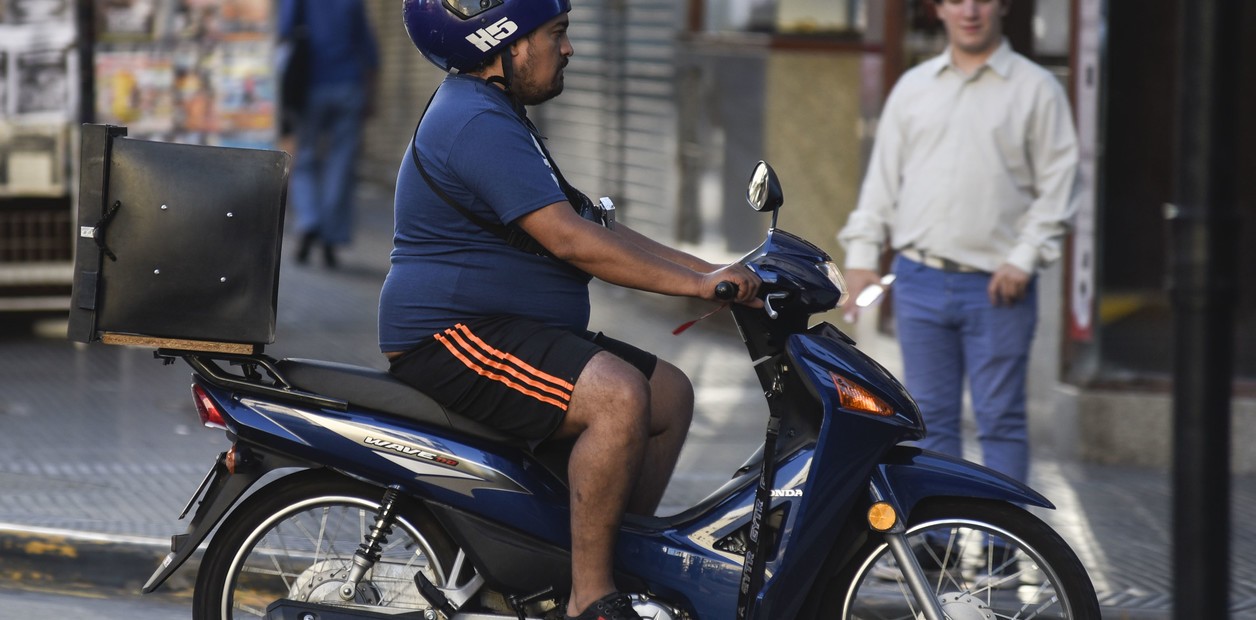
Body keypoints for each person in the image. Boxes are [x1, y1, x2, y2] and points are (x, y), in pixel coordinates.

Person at [380, 2, 761, 619]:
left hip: (510, 328)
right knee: (617, 397)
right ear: (503, 44)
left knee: (668, 394)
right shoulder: (474, 121)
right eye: (556, 33)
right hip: (450, 335)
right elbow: (572, 242)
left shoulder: (498, 113)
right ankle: (588, 599)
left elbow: (596, 228)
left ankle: (613, 562)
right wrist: (696, 288)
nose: (569, 48)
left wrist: (709, 274)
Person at [837, 0, 1079, 512]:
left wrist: (1025, 257)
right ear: (938, 9)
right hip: (919, 278)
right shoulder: (914, 87)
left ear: (1003, 6)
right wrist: (861, 257)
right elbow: (881, 184)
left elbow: (1059, 188)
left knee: (1001, 420)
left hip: (997, 286)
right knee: (929, 421)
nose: (969, 10)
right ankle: (935, 544)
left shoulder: (1036, 88)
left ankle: (1003, 549)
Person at [277, 0, 379, 268]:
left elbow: (286, 30)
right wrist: (371, 94)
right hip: (349, 85)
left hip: (310, 85)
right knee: (341, 164)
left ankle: (309, 222)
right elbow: (367, 45)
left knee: (306, 157)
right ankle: (331, 237)